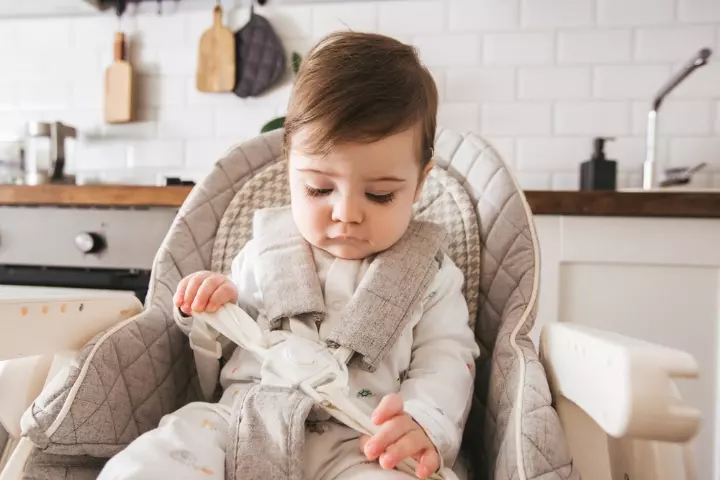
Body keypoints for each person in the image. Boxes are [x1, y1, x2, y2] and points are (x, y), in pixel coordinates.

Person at [98, 31, 479, 480]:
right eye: (319, 189)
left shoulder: (430, 275)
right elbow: (219, 349)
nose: (346, 214)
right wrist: (209, 309)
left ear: (419, 183)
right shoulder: (264, 252)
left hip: (361, 441)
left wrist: (423, 421)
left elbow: (447, 359)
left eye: (379, 195)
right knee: (155, 459)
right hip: (244, 420)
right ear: (289, 168)